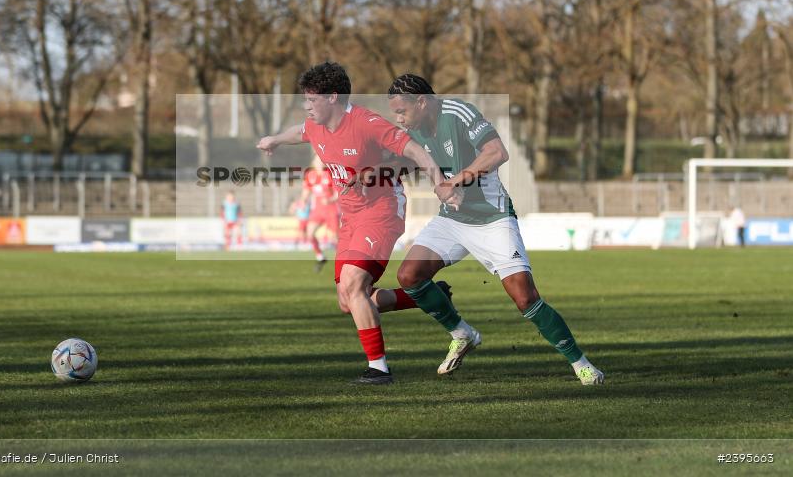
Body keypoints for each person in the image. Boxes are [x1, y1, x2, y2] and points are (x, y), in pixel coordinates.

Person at [387, 74, 605, 385]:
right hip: (452, 220)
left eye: (401, 111)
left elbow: (497, 152)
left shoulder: (459, 114)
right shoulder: (415, 131)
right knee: (409, 275)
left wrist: (456, 180)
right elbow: (400, 163)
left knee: (525, 298)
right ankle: (462, 333)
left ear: (421, 102)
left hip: (492, 219)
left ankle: (581, 363)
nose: (399, 118)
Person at [257, 62, 459, 385]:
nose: (306, 106)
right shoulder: (316, 124)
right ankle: (427, 295)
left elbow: (415, 151)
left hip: (381, 210)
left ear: (333, 97)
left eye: (312, 100)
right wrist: (274, 140)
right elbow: (300, 132)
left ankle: (379, 369)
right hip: (349, 217)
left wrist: (440, 183)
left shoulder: (367, 123)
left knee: (353, 284)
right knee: (348, 300)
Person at [301, 157, 340, 271]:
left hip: (331, 209)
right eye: (317, 161)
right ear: (313, 162)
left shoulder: (330, 174)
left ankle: (344, 261)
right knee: (310, 233)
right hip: (317, 210)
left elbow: (338, 193)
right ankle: (320, 256)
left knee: (335, 238)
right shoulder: (310, 174)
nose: (319, 163)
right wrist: (303, 201)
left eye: (321, 161)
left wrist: (331, 199)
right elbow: (307, 190)